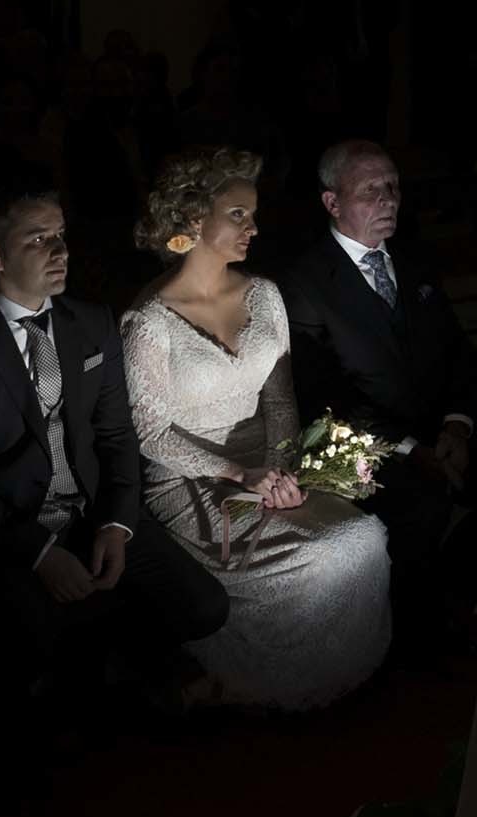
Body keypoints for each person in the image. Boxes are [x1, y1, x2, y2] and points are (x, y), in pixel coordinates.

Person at [0, 177, 229, 759]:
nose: (60, 250)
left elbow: (116, 436)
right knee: (39, 637)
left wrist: (117, 524)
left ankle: (118, 673)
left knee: (206, 606)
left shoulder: (92, 323)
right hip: (14, 528)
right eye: (38, 239)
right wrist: (38, 551)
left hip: (93, 514)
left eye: (61, 235)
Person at [121, 147, 391, 710]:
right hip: (191, 483)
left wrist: (281, 471)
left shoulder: (265, 295)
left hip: (266, 466)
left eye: (254, 214)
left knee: (361, 536)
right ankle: (261, 679)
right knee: (319, 556)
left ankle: (326, 674)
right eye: (238, 214)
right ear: (194, 218)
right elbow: (151, 435)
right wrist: (236, 474)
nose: (254, 228)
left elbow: (281, 399)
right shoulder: (147, 321)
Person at [278, 139, 477, 654]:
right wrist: (408, 449)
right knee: (422, 505)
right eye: (370, 190)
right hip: (359, 442)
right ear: (332, 202)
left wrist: (457, 426)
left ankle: (456, 585)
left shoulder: (413, 259)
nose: (388, 200)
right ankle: (413, 636)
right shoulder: (304, 282)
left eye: (393, 186)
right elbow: (323, 394)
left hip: (438, 428)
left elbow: (456, 350)